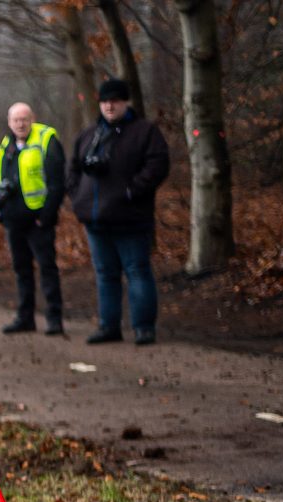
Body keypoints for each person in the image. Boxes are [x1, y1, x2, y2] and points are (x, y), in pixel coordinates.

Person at [67, 79, 171, 345]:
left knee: (137, 270)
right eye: (104, 101)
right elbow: (73, 169)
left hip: (130, 218)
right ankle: (108, 326)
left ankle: (143, 327)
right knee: (105, 274)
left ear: (126, 102)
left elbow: (158, 164)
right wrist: (78, 198)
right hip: (96, 219)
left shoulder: (144, 132)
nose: (109, 106)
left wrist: (132, 191)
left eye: (114, 101)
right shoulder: (89, 135)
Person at [0, 102, 65, 335]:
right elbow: (1, 182)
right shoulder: (7, 145)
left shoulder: (46, 140)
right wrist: (1, 211)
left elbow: (57, 183)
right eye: (16, 120)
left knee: (47, 268)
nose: (20, 124)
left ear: (32, 118)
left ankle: (54, 319)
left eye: (24, 119)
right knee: (21, 269)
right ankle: (26, 318)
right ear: (9, 122)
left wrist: (46, 216)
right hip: (14, 221)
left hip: (39, 221)